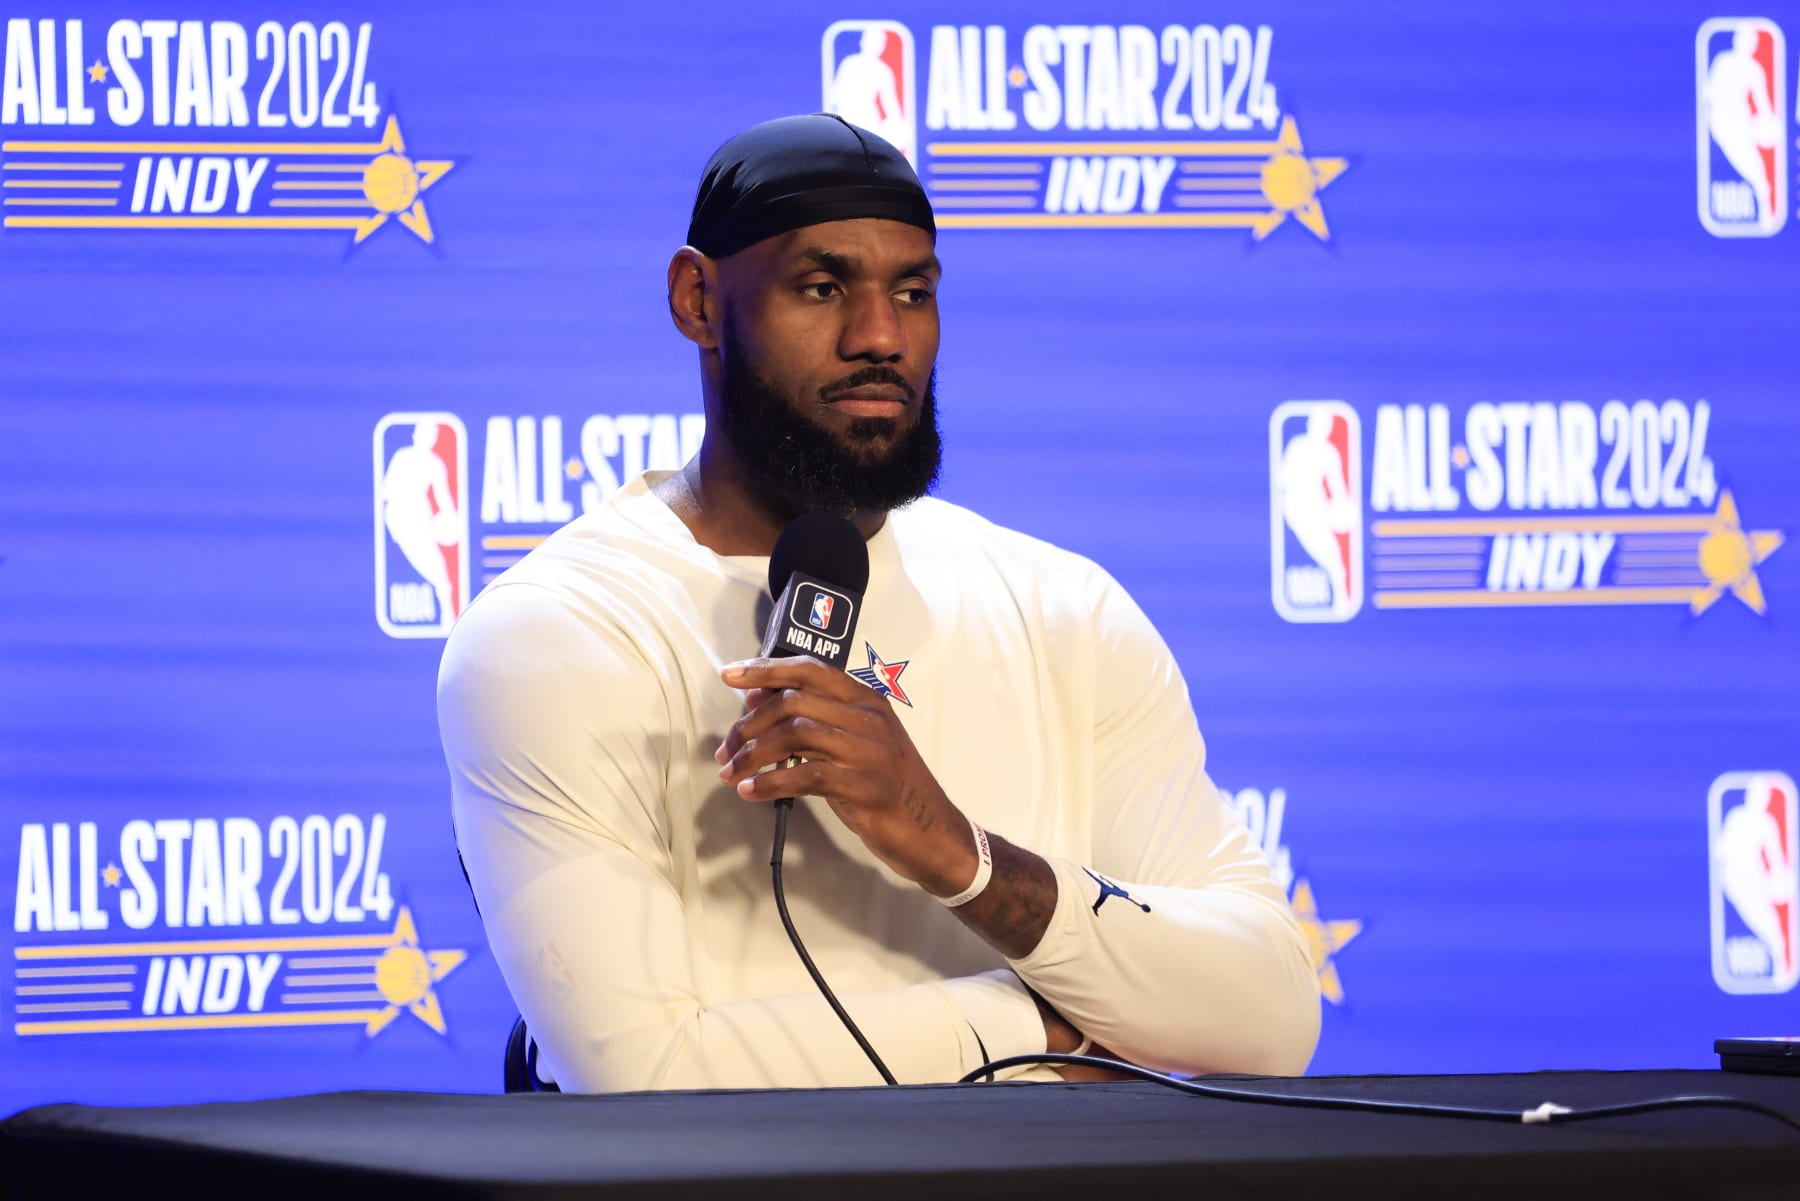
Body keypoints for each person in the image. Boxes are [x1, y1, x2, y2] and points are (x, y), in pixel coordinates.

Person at [438, 114, 1320, 1092]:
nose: (880, 338)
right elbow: (644, 1077)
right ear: (697, 300)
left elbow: (1271, 1014)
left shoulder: (1065, 608)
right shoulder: (558, 633)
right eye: (822, 289)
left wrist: (959, 854)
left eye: (913, 292)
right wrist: (1054, 1035)